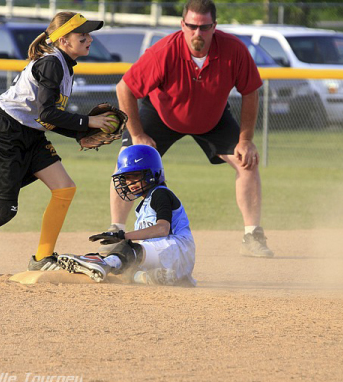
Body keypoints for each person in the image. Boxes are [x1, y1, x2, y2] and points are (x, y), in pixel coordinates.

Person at [0, 12, 118, 277]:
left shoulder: (64, 64)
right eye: (82, 35)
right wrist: (88, 122)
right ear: (64, 40)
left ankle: (43, 257)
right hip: (6, 134)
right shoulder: (53, 64)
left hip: (30, 134)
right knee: (5, 209)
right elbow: (46, 115)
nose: (89, 39)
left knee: (65, 188)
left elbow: (45, 118)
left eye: (89, 34)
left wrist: (79, 134)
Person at [108, 0, 274, 257]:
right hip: (162, 114)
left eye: (205, 27)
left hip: (212, 116)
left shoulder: (233, 50)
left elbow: (251, 91)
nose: (198, 33)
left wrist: (246, 139)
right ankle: (116, 231)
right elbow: (124, 88)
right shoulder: (163, 51)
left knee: (247, 161)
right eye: (192, 26)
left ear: (214, 26)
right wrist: (138, 134)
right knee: (129, 164)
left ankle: (252, 235)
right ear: (182, 24)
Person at [57, 145, 196, 286]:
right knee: (125, 268)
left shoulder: (161, 194)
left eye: (136, 176)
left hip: (177, 250)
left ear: (152, 173)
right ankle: (152, 277)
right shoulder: (143, 206)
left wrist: (123, 236)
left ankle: (103, 263)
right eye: (127, 178)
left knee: (128, 250)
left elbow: (162, 229)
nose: (131, 183)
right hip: (164, 256)